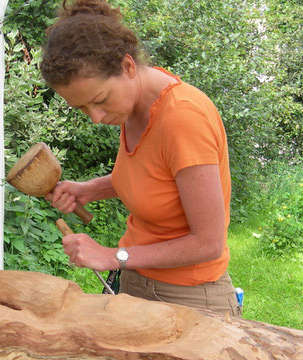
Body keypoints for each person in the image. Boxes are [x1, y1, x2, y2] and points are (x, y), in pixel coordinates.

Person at [39, 0, 241, 317]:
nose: (95, 117)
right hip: (137, 283)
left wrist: (111, 256)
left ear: (128, 67)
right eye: (81, 108)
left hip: (189, 298)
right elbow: (157, 175)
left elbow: (208, 243)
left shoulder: (182, 118)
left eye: (100, 100)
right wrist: (90, 189)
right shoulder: (134, 105)